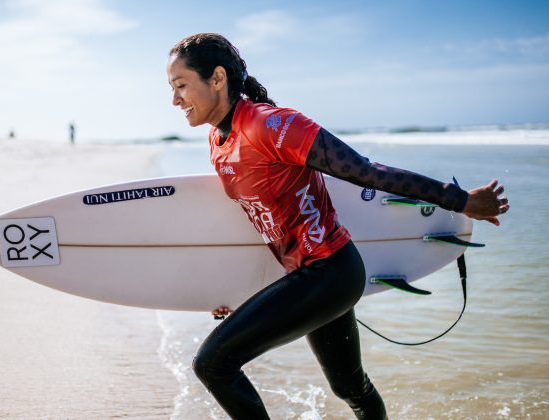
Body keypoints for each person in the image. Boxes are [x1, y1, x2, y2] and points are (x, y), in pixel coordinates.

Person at [166, 33, 509, 420]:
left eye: (181, 86)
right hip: (306, 277)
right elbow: (261, 225)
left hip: (331, 272)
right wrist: (229, 290)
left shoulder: (271, 125)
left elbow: (364, 172)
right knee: (349, 386)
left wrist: (460, 200)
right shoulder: (217, 140)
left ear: (216, 78)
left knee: (212, 365)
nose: (175, 99)